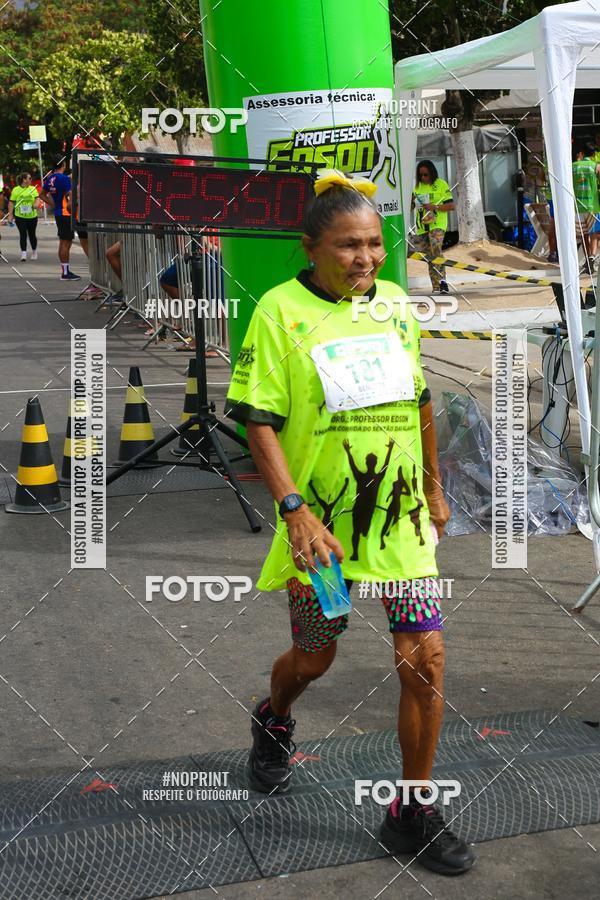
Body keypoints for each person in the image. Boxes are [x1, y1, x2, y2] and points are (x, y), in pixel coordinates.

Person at [225, 169, 474, 877]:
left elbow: (419, 397)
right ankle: (274, 715)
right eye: (347, 247)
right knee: (315, 655)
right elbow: (259, 420)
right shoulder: (279, 312)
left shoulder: (394, 304)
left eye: (373, 246)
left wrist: (432, 484)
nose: (365, 260)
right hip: (324, 528)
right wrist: (294, 512)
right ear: (311, 248)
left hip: (398, 523)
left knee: (423, 657)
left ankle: (412, 808)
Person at [411, 160, 454, 295]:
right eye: (421, 175)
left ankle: (442, 282)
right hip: (422, 227)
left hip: (437, 225)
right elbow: (410, 206)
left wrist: (434, 207)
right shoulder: (417, 187)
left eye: (426, 175)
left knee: (436, 249)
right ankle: (436, 286)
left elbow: (451, 206)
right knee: (429, 256)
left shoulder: (441, 184)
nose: (423, 178)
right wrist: (411, 203)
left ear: (432, 173)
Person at [40, 157, 80, 280]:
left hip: (59, 212)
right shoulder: (64, 178)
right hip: (65, 213)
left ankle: (65, 270)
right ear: (62, 164)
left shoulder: (50, 178)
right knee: (66, 243)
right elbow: (70, 197)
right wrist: (71, 208)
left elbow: (42, 194)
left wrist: (53, 204)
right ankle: (65, 273)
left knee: (63, 241)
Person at [572, 142, 600, 274]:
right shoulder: (595, 165)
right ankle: (592, 257)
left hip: (577, 207)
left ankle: (588, 262)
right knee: (594, 234)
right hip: (592, 206)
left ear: (581, 153)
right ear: (594, 154)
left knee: (583, 235)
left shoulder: (573, 166)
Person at [8, 172, 40, 261]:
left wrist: (36, 204)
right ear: (24, 180)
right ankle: (24, 253)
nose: (31, 180)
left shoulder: (33, 189)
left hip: (32, 216)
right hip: (20, 216)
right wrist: (10, 215)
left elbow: (37, 199)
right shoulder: (16, 190)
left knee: (32, 234)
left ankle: (34, 251)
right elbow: (11, 202)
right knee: (23, 234)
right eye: (29, 178)